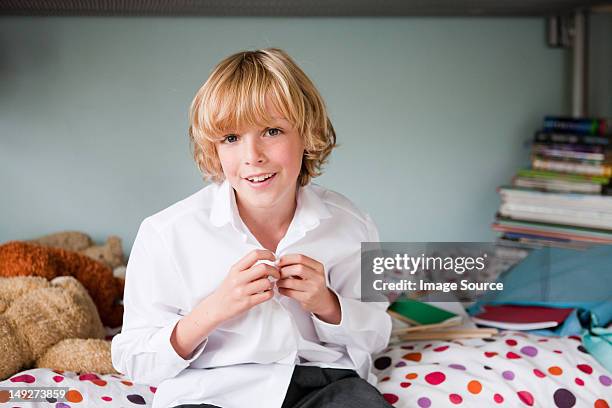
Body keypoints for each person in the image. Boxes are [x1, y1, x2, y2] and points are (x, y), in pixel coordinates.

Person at [111, 48, 393, 408]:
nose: (252, 155)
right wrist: (213, 310)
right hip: (210, 390)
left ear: (307, 135)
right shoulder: (165, 234)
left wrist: (327, 304)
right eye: (231, 138)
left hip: (326, 384)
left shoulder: (351, 224)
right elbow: (134, 359)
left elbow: (378, 333)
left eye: (272, 131)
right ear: (212, 148)